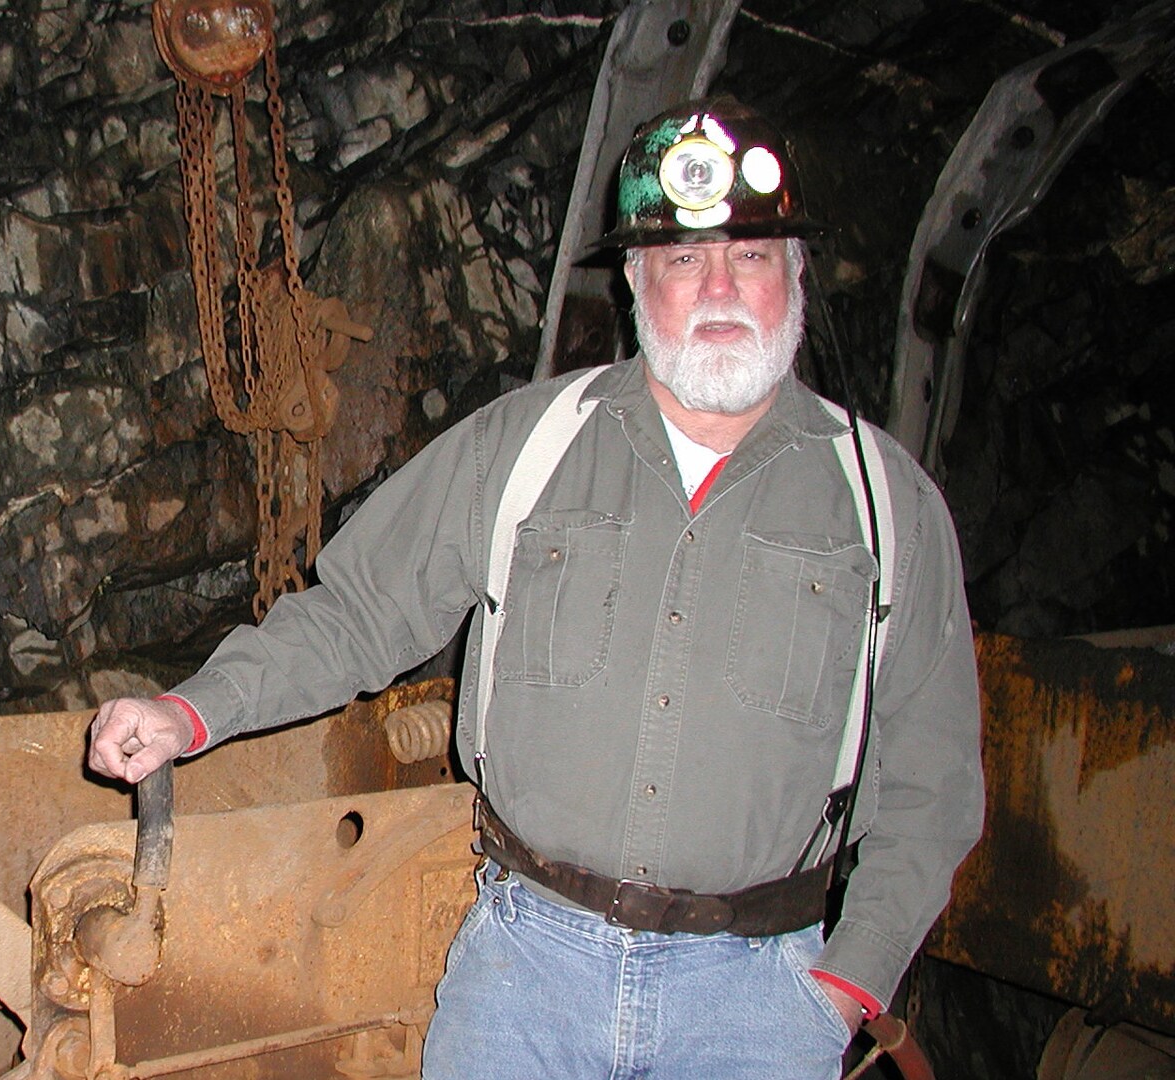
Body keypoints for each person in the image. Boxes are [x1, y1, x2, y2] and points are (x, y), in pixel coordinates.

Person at [87, 95, 984, 1079]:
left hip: (754, 999)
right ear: (637, 281)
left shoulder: (886, 504)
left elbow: (933, 787)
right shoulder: (525, 446)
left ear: (796, 273)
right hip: (527, 972)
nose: (721, 287)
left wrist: (845, 986)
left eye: (752, 255)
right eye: (684, 260)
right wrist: (190, 712)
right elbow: (357, 614)